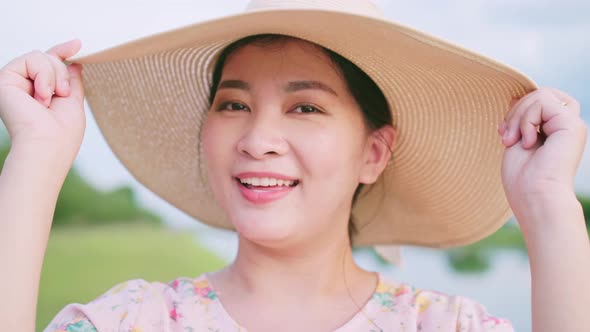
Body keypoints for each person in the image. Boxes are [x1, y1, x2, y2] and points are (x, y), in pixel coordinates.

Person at [0, 1, 588, 331]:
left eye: (305, 107)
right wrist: (36, 155)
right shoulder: (134, 322)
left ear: (373, 153)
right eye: (233, 105)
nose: (258, 139)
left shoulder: (444, 328)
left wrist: (547, 205)